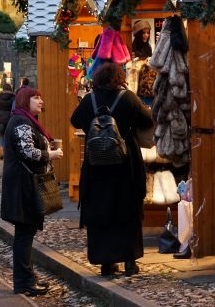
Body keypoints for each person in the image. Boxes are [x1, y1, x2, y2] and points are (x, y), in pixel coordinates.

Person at [70, 62, 153, 277]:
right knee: (127, 212)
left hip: (97, 167)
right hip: (126, 165)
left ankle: (106, 263)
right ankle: (129, 262)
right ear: (119, 78)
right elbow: (146, 120)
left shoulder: (90, 100)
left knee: (101, 212)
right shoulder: (128, 98)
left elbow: (75, 120)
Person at [0, 87, 63, 296]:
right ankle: (23, 281)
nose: (41, 101)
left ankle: (27, 277)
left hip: (24, 185)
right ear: (25, 101)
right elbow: (28, 152)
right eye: (36, 98)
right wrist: (51, 154)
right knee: (24, 235)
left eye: (41, 97)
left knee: (26, 234)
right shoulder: (21, 122)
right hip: (23, 187)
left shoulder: (24, 120)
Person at [0, 82, 15, 160]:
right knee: (9, 136)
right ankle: (8, 153)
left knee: (1, 136)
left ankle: (2, 152)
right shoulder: (13, 97)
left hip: (1, 119)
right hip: (10, 119)